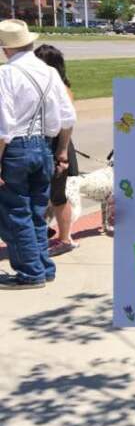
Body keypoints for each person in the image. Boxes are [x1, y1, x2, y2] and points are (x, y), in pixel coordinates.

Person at [0, 20, 77, 289]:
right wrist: (62, 151)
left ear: (6, 48)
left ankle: (30, 271)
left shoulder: (6, 75)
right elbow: (68, 118)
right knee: (35, 212)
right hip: (44, 146)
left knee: (14, 212)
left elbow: (4, 127)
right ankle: (42, 267)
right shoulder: (50, 73)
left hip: (16, 150)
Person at [33, 44, 80, 256]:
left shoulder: (62, 89)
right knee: (44, 194)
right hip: (47, 146)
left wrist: (61, 153)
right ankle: (45, 232)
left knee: (58, 196)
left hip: (57, 146)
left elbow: (66, 122)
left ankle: (65, 238)